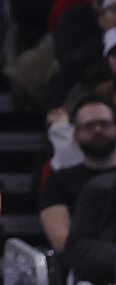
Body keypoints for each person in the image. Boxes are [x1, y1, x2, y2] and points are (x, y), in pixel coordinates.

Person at [40, 96, 116, 253]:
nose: (98, 130)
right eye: (89, 126)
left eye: (104, 123)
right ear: (75, 135)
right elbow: (60, 240)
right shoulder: (58, 182)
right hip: (85, 267)